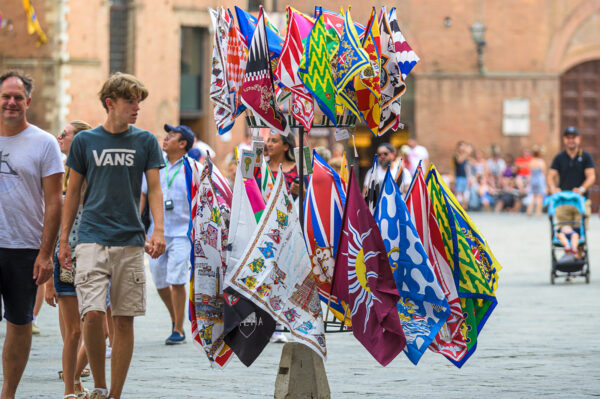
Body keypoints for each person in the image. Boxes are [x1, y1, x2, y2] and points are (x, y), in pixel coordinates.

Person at [58, 72, 166, 399]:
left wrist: (157, 229)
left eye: (139, 102)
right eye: (130, 101)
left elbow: (155, 188)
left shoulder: (145, 141)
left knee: (123, 319)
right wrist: (64, 240)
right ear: (110, 103)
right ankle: (99, 384)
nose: (137, 108)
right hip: (90, 236)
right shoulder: (85, 141)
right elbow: (72, 191)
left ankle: (112, 394)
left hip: (131, 239)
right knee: (91, 313)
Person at [0, 70, 64, 398]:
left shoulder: (44, 143)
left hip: (23, 247)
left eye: (17, 97)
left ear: (28, 101)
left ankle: (7, 393)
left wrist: (45, 253)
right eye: (6, 96)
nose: (11, 102)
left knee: (20, 322)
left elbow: (54, 202)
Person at [44, 120, 93, 399]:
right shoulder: (62, 173)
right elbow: (52, 223)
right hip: (66, 257)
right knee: (73, 331)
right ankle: (70, 388)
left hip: (95, 256)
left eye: (65, 134)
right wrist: (49, 280)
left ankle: (74, 376)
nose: (59, 137)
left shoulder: (94, 173)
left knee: (104, 329)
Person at [141, 124, 194, 345]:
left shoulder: (193, 168)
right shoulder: (155, 165)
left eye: (172, 136)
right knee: (160, 280)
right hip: (156, 233)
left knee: (176, 278)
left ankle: (178, 328)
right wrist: (139, 224)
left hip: (182, 233)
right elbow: (144, 194)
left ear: (182, 144)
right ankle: (175, 318)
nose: (166, 138)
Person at [547, 126, 596, 220]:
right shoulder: (559, 157)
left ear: (579, 139)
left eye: (573, 137)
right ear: (564, 139)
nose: (571, 140)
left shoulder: (586, 157)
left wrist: (582, 189)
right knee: (563, 231)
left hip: (581, 200)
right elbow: (550, 176)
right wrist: (553, 188)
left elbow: (591, 176)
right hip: (563, 201)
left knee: (580, 231)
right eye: (568, 138)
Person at [266, 131, 299, 199]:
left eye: (274, 141)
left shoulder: (298, 169)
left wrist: (302, 192)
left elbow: (308, 197)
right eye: (268, 140)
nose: (269, 144)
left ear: (286, 147)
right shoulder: (260, 168)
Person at [526, 145, 546, 217]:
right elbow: (543, 172)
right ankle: (538, 213)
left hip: (533, 179)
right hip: (539, 179)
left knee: (533, 196)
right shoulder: (541, 162)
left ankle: (529, 211)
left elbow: (529, 172)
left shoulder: (531, 161)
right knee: (539, 197)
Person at [453, 141, 470, 209]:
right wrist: (466, 153)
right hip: (458, 176)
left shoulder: (465, 156)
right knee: (457, 192)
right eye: (462, 146)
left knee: (464, 193)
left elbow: (466, 167)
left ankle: (464, 207)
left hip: (464, 177)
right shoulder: (456, 155)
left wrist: (468, 177)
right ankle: (454, 206)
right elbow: (459, 161)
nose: (463, 148)